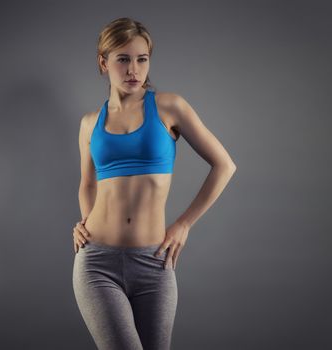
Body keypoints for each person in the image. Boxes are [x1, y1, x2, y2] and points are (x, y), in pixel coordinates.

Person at [72, 17, 237, 350]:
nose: (134, 69)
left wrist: (184, 224)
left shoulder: (169, 107)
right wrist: (85, 223)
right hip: (96, 264)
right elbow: (87, 183)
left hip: (154, 263)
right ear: (104, 63)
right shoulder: (90, 123)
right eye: (123, 59)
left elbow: (224, 165)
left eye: (142, 59)